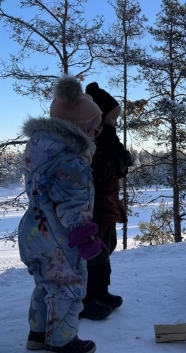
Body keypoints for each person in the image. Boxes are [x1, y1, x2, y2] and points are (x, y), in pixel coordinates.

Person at [19, 75, 105, 353]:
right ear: (82, 127)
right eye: (95, 126)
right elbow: (72, 207)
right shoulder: (72, 163)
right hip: (58, 237)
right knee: (69, 287)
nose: (96, 132)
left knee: (46, 285)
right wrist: (87, 241)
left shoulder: (40, 152)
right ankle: (62, 341)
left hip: (33, 231)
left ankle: (38, 334)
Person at [80, 81, 132, 320]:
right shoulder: (94, 140)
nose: (115, 122)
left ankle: (102, 291)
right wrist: (120, 161)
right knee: (94, 254)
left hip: (107, 205)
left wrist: (122, 160)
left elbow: (114, 168)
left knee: (106, 250)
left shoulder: (109, 139)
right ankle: (87, 298)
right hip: (95, 207)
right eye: (113, 117)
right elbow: (98, 171)